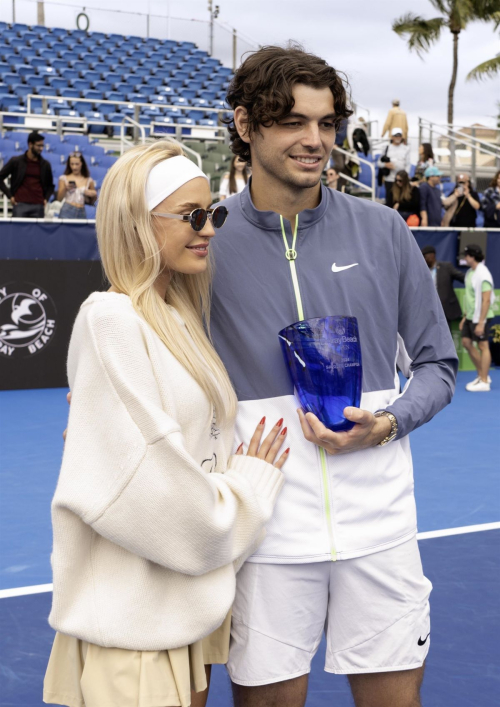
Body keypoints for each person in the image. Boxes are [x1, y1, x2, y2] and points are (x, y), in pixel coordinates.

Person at [212, 45, 457, 707]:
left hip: (380, 529)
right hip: (263, 536)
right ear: (245, 125)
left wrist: (388, 423)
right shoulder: (206, 242)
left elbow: (438, 365)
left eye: (325, 123)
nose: (314, 140)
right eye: (292, 121)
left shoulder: (383, 230)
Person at [43, 140, 287, 707]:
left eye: (214, 214)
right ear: (136, 223)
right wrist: (252, 486)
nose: (209, 228)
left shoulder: (175, 315)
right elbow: (156, 496)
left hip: (176, 610)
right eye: (192, 216)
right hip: (135, 626)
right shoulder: (112, 319)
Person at [459, 244, 495, 392]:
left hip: (481, 317)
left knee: (483, 346)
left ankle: (485, 381)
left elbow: (486, 300)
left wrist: (481, 322)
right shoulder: (469, 273)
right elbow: (470, 297)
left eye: (466, 255)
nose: (465, 258)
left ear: (472, 256)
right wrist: (464, 317)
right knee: (466, 342)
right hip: (471, 316)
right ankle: (482, 373)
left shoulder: (483, 274)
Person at [0, 131, 54, 218]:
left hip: (38, 205)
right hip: (20, 204)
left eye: (42, 146)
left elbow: (50, 186)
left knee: (36, 232)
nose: (41, 148)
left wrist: (46, 199)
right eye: (38, 146)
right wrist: (10, 196)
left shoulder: (45, 164)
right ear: (30, 144)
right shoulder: (16, 161)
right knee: (18, 231)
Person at [421, 245, 465, 325]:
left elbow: (463, 278)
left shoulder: (446, 267)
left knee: (446, 334)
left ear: (432, 255)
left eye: (425, 257)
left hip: (445, 309)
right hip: (428, 308)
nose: (424, 259)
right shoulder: (423, 271)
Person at [57, 152, 97, 219]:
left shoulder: (89, 180)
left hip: (81, 210)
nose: (74, 167)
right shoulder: (63, 178)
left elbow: (93, 200)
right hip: (67, 209)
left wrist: (92, 194)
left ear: (81, 164)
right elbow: (59, 198)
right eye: (72, 164)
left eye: (77, 164)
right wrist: (65, 188)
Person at [378, 128, 411, 204]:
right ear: (392, 137)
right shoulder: (387, 148)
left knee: (401, 202)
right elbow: (379, 163)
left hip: (401, 180)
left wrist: (404, 177)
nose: (398, 137)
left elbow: (408, 164)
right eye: (396, 135)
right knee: (390, 201)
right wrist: (386, 164)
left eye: (399, 135)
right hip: (389, 179)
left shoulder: (406, 149)